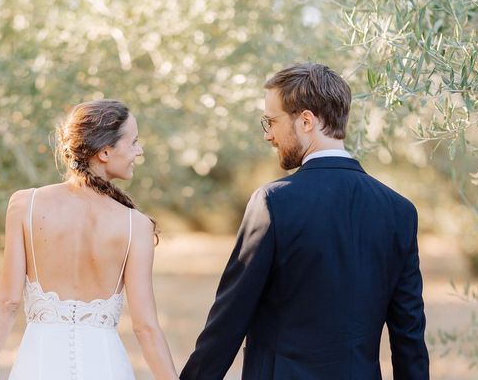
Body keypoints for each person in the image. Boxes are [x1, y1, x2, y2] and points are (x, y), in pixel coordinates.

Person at [180, 63, 429, 380]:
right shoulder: (399, 211)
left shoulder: (274, 202)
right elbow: (409, 337)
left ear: (307, 121)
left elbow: (228, 321)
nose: (268, 134)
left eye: (272, 121)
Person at [0, 99, 178, 380]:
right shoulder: (136, 226)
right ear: (104, 152)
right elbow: (145, 328)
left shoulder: (25, 205)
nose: (140, 150)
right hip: (107, 368)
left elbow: (8, 302)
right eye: (134, 141)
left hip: (37, 367)